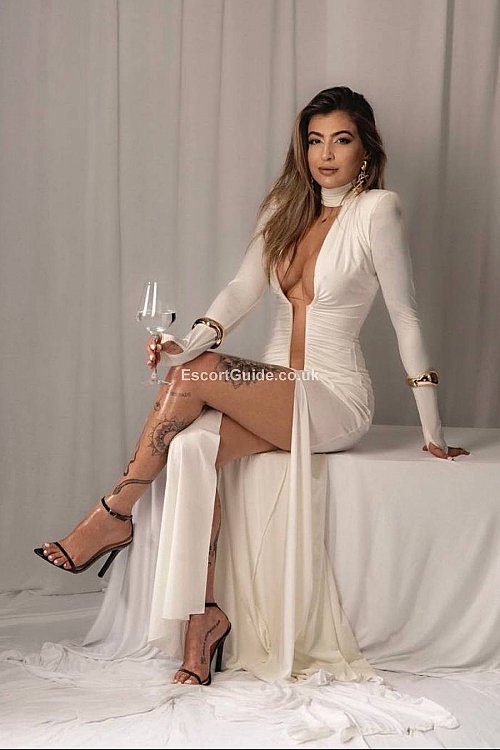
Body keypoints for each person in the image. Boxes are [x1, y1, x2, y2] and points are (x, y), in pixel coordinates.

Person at [34, 86, 469, 689]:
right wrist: (185, 346)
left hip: (332, 397)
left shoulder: (379, 211)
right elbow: (241, 292)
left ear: (365, 149)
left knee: (196, 374)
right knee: (190, 446)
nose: (325, 154)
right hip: (272, 389)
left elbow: (406, 316)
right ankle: (202, 623)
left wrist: (432, 429)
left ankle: (113, 514)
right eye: (314, 141)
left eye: (341, 140)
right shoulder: (283, 211)